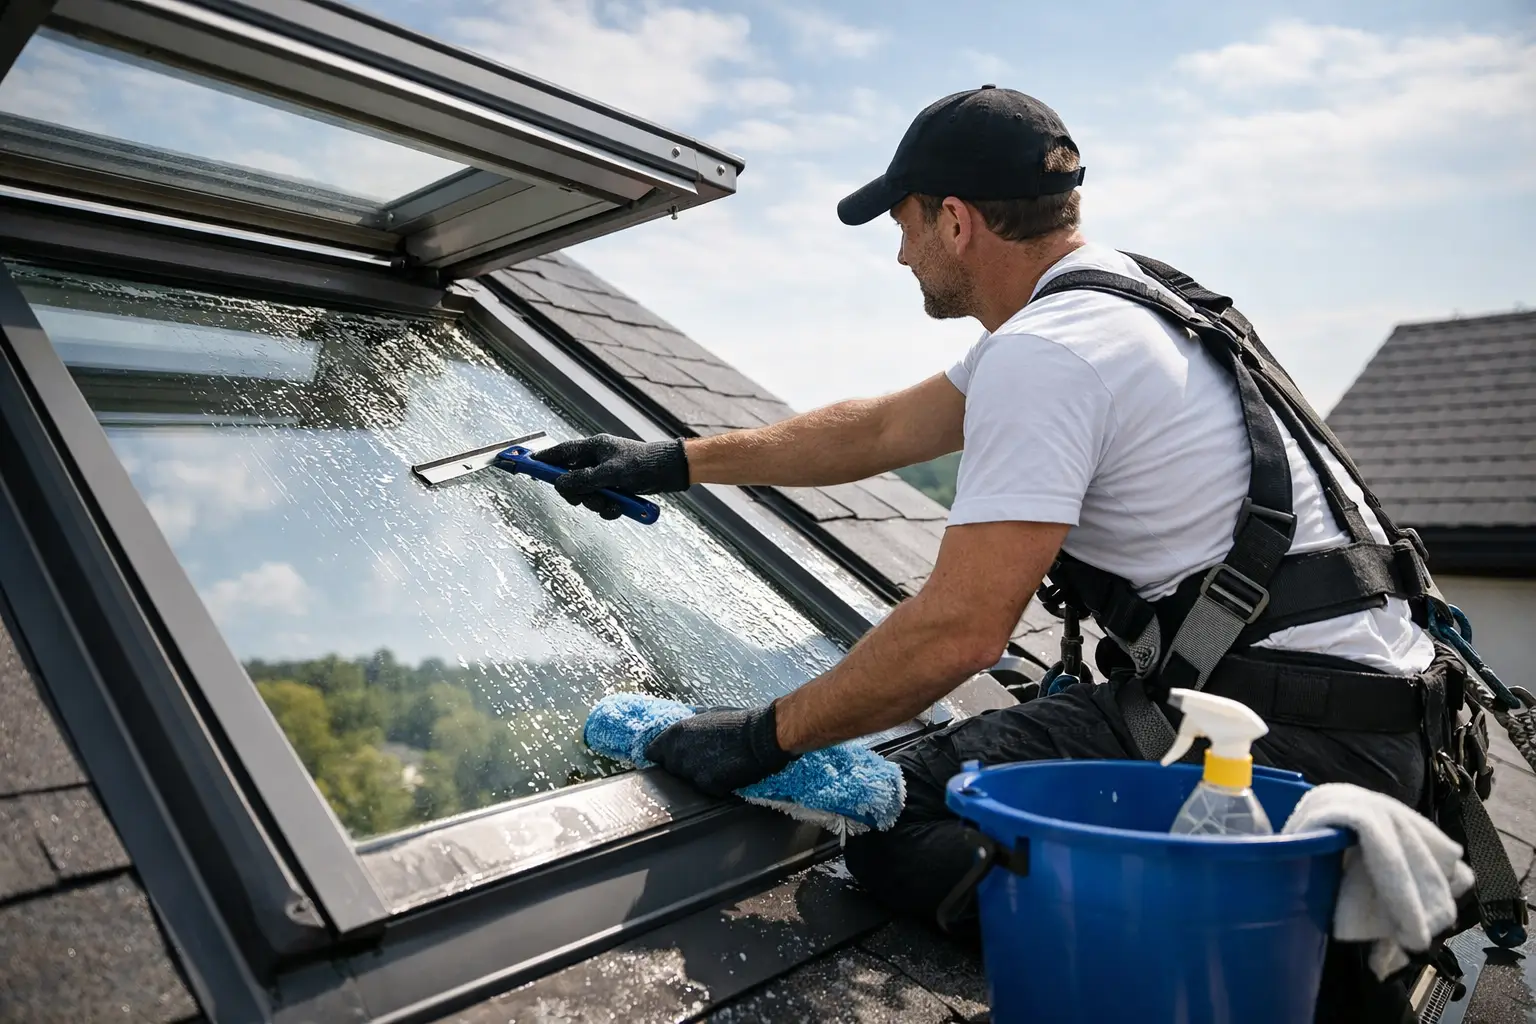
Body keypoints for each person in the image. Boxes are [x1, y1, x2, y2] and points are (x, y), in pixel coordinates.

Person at [539, 86, 1477, 1021]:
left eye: (904, 226)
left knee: (898, 814)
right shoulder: (1127, 298)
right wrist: (676, 460)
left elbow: (959, 634)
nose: (901, 254)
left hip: (1282, 749)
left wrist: (756, 737)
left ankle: (1239, 959)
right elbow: (880, 429)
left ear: (954, 221)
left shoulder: (1051, 350)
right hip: (1382, 724)